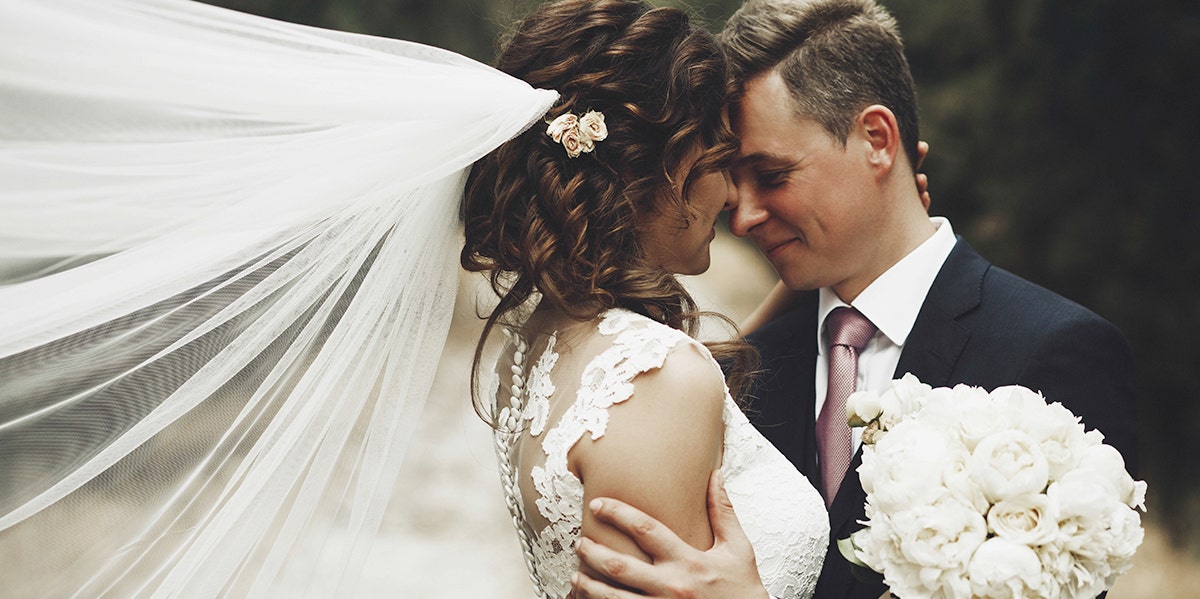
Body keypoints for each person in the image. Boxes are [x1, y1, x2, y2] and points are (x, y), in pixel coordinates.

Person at [570, 1, 1139, 598]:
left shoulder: (1057, 351)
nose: (742, 217)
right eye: (731, 179)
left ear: (876, 139)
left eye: (772, 174)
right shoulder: (737, 372)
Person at [459, 1, 830, 597]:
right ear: (658, 167)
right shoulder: (653, 377)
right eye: (720, 160)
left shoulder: (538, 336)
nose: (732, 194)